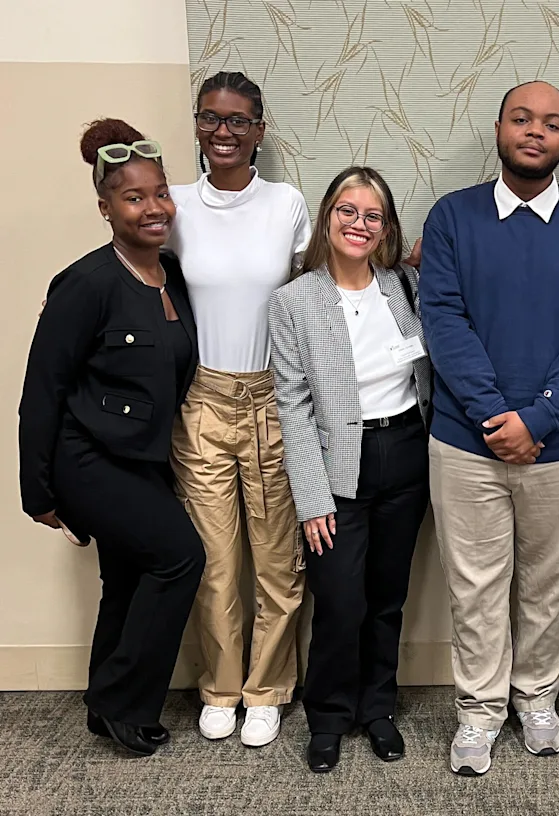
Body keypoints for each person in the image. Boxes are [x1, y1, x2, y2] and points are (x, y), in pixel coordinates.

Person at [419, 80, 559, 776]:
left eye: (553, 123)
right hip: (464, 442)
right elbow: (443, 320)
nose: (536, 131)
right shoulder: (452, 218)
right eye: (522, 118)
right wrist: (494, 416)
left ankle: (536, 697)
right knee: (474, 585)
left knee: (547, 580)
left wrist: (537, 419)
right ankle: (479, 711)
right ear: (500, 128)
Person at [19, 118, 203, 756]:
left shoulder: (173, 273)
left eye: (160, 193)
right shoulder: (86, 283)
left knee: (127, 580)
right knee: (180, 557)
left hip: (144, 460)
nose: (154, 207)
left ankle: (106, 703)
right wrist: (37, 492)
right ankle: (125, 703)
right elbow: (41, 390)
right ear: (106, 208)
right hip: (87, 459)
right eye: (134, 197)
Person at [269, 167, 431, 773]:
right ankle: (330, 715)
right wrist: (312, 499)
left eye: (372, 215)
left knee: (388, 595)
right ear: (326, 217)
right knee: (339, 600)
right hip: (338, 464)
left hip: (407, 452)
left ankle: (377, 709)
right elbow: (292, 404)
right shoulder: (294, 300)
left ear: (386, 226)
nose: (358, 224)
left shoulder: (404, 286)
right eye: (347, 210)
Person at [166, 71, 310, 748]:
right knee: (215, 562)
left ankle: (270, 688)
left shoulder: (285, 204)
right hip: (202, 399)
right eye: (211, 118)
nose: (223, 132)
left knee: (278, 561)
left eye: (238, 121)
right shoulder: (173, 206)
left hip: (273, 398)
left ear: (259, 130)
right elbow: (136, 276)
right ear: (197, 124)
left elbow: (318, 292)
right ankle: (221, 688)